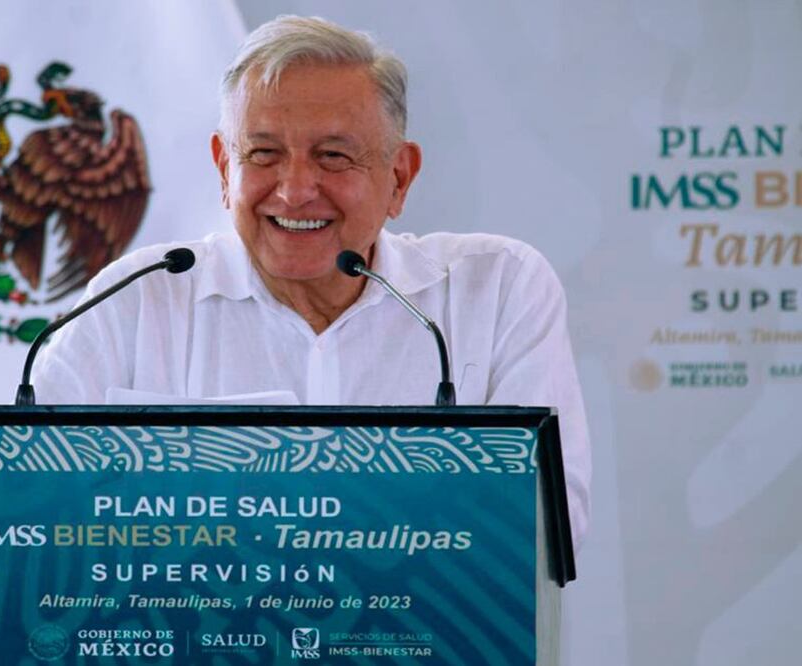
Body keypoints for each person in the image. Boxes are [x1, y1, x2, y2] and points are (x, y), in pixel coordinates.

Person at [33, 15, 590, 546]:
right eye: (264, 154)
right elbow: (32, 504)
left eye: (333, 156)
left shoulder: (495, 290)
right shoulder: (139, 296)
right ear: (226, 171)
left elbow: (542, 528)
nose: (295, 189)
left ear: (399, 177)